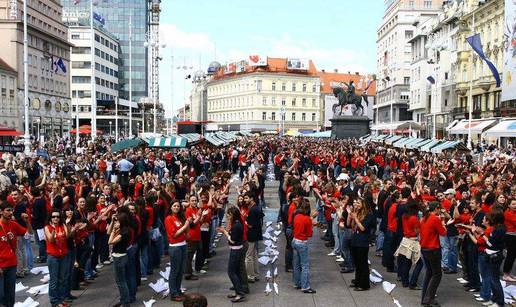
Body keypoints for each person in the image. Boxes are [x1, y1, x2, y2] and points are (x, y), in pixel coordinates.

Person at [0, 201, 31, 307]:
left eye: (11, 210)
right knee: (1, 296)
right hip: (1, 266)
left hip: (12, 265)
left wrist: (27, 222)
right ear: (1, 212)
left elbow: (29, 235)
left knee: (10, 296)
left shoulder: (14, 224)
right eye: (8, 210)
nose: (10, 213)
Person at [420, 201, 447, 307]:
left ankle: (425, 297)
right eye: (439, 208)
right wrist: (444, 223)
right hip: (433, 249)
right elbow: (443, 232)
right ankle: (429, 298)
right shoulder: (435, 218)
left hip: (424, 248)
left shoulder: (424, 218)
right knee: (437, 274)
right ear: (436, 208)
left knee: (429, 273)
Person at [217, 206, 246, 303]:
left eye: (228, 215)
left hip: (236, 250)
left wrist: (224, 231)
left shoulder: (237, 226)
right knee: (236, 272)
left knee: (231, 272)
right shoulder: (236, 223)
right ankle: (238, 291)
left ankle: (240, 293)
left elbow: (232, 240)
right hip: (237, 249)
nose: (227, 217)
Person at [165, 200, 191, 302]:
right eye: (174, 206)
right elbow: (174, 234)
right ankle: (174, 293)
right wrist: (185, 226)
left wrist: (187, 223)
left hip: (183, 245)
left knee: (181, 270)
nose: (176, 207)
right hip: (175, 247)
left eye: (178, 206)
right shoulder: (168, 219)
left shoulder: (180, 218)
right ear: (171, 207)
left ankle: (178, 290)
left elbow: (187, 233)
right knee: (175, 271)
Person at [45, 208, 70, 307]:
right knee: (54, 280)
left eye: (58, 216)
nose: (56, 218)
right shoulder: (47, 227)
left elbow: (68, 236)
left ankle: (61, 299)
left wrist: (68, 226)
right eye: (54, 216)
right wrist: (54, 231)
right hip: (53, 257)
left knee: (62, 279)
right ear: (50, 218)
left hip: (63, 255)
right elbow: (51, 240)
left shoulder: (62, 225)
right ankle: (54, 301)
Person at [349, 198, 375, 291]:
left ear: (364, 204)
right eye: (356, 203)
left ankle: (364, 284)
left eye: (358, 203)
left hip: (363, 242)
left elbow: (363, 228)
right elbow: (352, 226)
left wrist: (355, 218)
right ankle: (357, 280)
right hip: (355, 240)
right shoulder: (358, 213)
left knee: (362, 263)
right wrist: (351, 216)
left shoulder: (369, 215)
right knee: (357, 263)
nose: (357, 204)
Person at [108, 209, 132, 307]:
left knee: (121, 281)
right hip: (118, 256)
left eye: (117, 220)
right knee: (120, 281)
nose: (116, 222)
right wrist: (112, 222)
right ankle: (123, 300)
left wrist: (114, 230)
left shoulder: (124, 232)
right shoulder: (121, 229)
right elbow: (108, 232)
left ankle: (125, 302)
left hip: (120, 257)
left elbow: (110, 241)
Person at [292, 199, 316, 294]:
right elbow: (309, 234)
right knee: (305, 265)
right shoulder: (307, 219)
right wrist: (311, 222)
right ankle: (305, 286)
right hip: (302, 242)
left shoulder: (296, 216)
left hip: (295, 240)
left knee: (296, 264)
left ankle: (297, 283)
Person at [245, 193, 264, 283]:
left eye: (246, 198)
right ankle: (255, 274)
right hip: (256, 234)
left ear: (251, 198)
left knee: (249, 256)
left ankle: (250, 275)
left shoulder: (252, 210)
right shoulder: (257, 208)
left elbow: (250, 225)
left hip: (251, 235)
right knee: (254, 255)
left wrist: (244, 221)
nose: (245, 200)